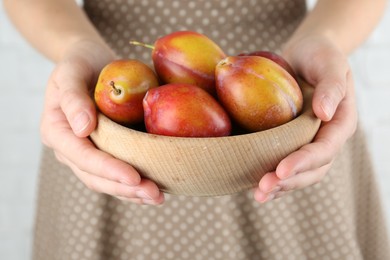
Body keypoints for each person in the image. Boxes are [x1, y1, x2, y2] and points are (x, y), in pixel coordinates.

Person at [4, 0, 390, 259]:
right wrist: (75, 45)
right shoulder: (115, 94)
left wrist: (325, 39)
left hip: (287, 111)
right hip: (112, 126)